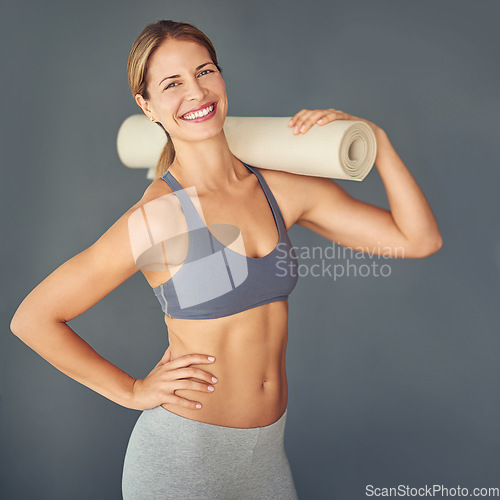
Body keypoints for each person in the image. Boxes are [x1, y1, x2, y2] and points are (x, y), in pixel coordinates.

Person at [10, 19, 442, 500]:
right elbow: (33, 318)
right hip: (181, 460)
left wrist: (376, 141)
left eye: (205, 71)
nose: (196, 92)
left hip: (267, 457)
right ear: (146, 106)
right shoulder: (159, 215)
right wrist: (131, 391)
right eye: (172, 84)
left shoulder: (281, 190)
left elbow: (417, 239)